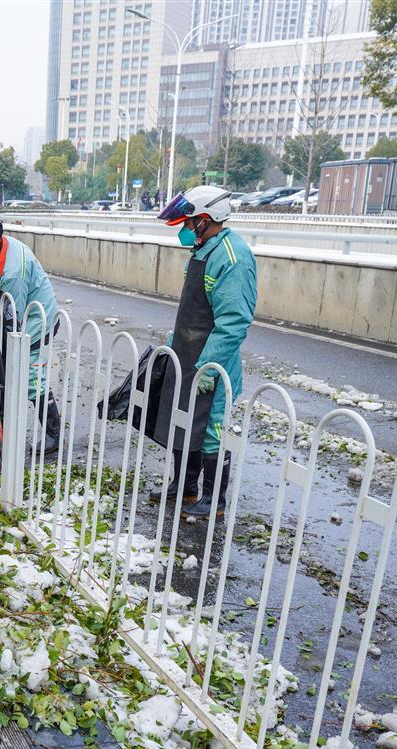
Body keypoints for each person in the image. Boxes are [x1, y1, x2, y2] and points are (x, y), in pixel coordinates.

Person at [156, 185, 257, 518]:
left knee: (211, 429)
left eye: (188, 223)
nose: (184, 230)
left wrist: (209, 367)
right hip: (188, 354)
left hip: (214, 363)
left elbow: (233, 322)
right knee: (184, 420)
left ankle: (214, 500)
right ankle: (184, 486)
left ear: (206, 219)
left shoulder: (232, 257)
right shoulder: (204, 249)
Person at [0, 213, 61, 453]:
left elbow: (11, 317)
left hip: (36, 322)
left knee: (32, 378)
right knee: (0, 369)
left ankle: (52, 433)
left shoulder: (14, 271)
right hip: (15, 315)